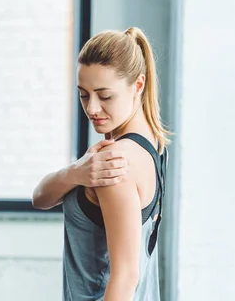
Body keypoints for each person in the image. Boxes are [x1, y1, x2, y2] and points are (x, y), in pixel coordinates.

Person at [32, 27, 169, 301]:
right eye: (84, 94)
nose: (92, 108)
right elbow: (40, 198)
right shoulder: (151, 143)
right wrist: (75, 173)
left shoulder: (114, 163)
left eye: (105, 96)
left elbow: (126, 276)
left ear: (138, 85)